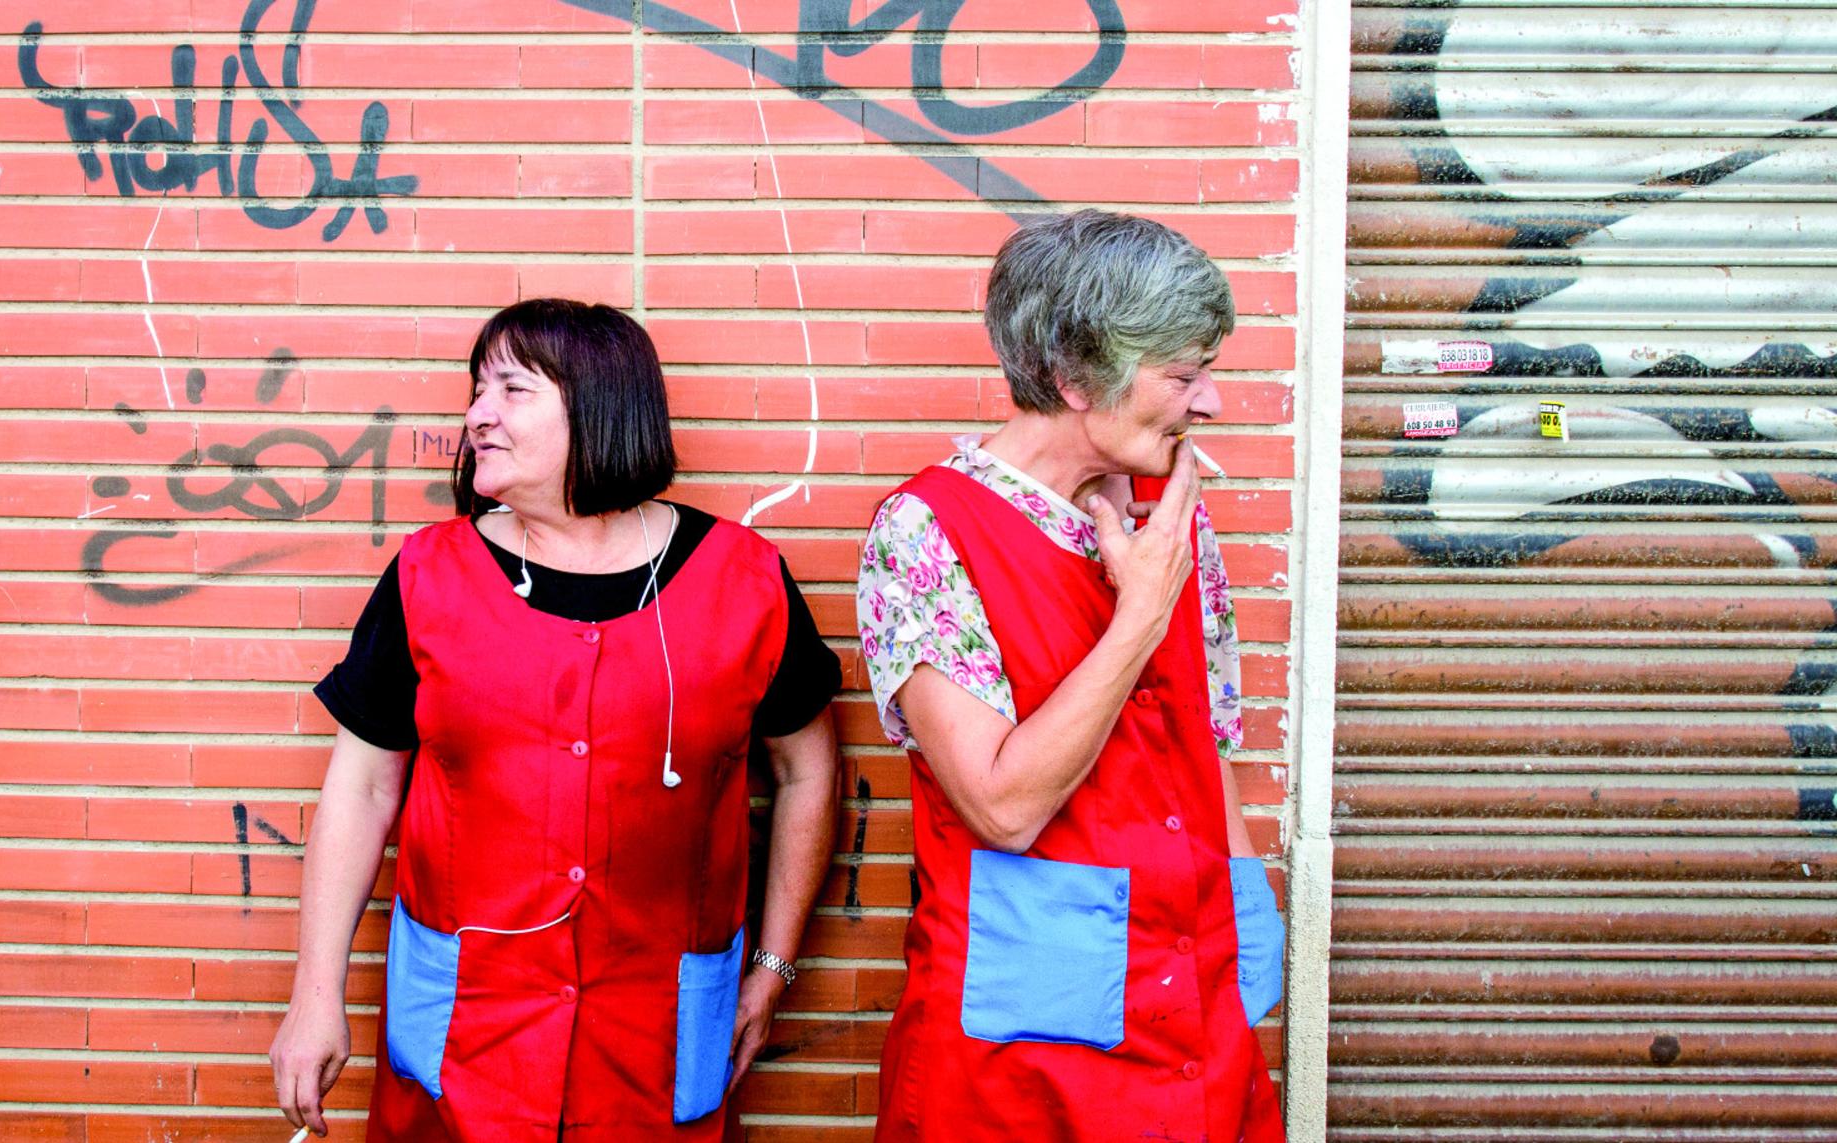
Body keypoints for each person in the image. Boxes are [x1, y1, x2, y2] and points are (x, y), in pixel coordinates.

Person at [271, 298, 843, 1142]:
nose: (476, 414)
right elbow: (360, 785)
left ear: (601, 403)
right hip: (465, 1038)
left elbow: (808, 770)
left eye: (511, 388)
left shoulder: (745, 582)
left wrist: (773, 963)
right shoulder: (429, 575)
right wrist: (314, 993)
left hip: (653, 1044)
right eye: (476, 389)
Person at [856, 210, 1287, 1142]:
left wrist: (1248, 927)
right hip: (1020, 1062)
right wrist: (1138, 614)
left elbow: (1200, 735)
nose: (1207, 402)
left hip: (1195, 1017)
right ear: (1073, 376)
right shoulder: (927, 532)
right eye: (1183, 374)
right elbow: (1001, 806)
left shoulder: (1171, 517)